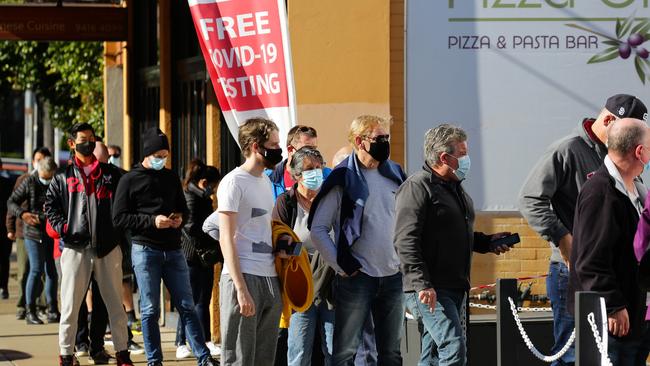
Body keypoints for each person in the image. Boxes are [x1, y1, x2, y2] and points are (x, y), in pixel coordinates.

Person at [519, 93, 648, 366]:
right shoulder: (568, 150)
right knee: (571, 354)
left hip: (617, 279)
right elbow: (530, 199)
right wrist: (563, 237)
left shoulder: (623, 161)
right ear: (610, 120)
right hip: (574, 271)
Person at [394, 124, 511, 365]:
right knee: (453, 347)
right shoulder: (417, 186)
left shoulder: (454, 187)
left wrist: (488, 242)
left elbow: (454, 234)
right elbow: (405, 240)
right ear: (444, 157)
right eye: (462, 153)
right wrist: (422, 284)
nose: (467, 159)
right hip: (430, 288)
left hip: (455, 285)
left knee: (433, 352)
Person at [112, 127, 217, 366]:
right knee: (149, 309)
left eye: (165, 155)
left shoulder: (170, 178)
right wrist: (151, 221)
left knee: (187, 305)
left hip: (173, 248)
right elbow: (118, 218)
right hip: (145, 250)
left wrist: (179, 218)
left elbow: (183, 207)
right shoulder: (129, 180)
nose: (162, 160)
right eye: (158, 155)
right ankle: (154, 360)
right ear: (147, 153)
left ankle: (203, 357)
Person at [309, 115, 406, 366]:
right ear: (361, 141)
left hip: (393, 276)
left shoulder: (394, 173)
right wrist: (342, 265)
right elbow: (318, 228)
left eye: (387, 137)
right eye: (379, 138)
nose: (385, 142)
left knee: (391, 353)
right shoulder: (342, 177)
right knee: (344, 353)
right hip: (357, 278)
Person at [44, 123, 133, 366]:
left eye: (92, 138)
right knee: (71, 305)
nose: (89, 142)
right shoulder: (62, 177)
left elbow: (126, 200)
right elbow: (50, 206)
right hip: (75, 249)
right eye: (84, 139)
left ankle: (122, 353)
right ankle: (66, 354)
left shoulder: (111, 174)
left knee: (115, 304)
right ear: (72, 144)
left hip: (107, 248)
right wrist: (65, 228)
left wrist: (117, 230)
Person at [568, 118, 649, 365]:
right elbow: (591, 260)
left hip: (635, 313)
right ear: (639, 151)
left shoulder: (634, 189)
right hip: (612, 320)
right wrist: (613, 304)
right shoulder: (602, 192)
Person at [217, 117, 287, 365]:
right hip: (244, 276)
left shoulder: (266, 180)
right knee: (240, 358)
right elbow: (226, 237)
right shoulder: (233, 182)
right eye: (274, 143)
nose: (279, 149)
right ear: (256, 146)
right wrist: (241, 288)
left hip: (269, 276)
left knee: (263, 358)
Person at [272, 146, 335, 366]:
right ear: (297, 175)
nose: (316, 172)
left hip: (331, 288)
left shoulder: (331, 200)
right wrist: (311, 255)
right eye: (310, 169)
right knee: (299, 353)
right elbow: (278, 245)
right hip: (300, 287)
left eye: (319, 167)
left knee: (334, 352)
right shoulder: (286, 203)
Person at [175, 159, 222, 360]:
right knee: (193, 300)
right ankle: (183, 342)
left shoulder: (199, 195)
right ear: (204, 182)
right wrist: (213, 232)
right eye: (213, 185)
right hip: (193, 255)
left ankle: (202, 340)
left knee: (202, 299)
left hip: (203, 255)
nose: (214, 190)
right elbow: (192, 227)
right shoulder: (192, 197)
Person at [8, 156, 60, 325]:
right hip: (32, 232)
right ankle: (30, 310)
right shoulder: (29, 181)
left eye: (49, 177)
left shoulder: (57, 182)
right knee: (36, 269)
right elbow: (12, 202)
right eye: (44, 177)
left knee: (52, 271)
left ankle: (52, 308)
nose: (46, 181)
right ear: (39, 171)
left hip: (50, 232)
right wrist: (23, 214)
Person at [266, 125, 331, 200]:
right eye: (307, 149)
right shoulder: (268, 178)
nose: (312, 153)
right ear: (290, 149)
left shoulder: (328, 176)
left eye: (314, 149)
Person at [0, 158, 13, 300]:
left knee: (4, 259)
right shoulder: (8, 183)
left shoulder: (7, 184)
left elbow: (12, 205)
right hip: (6, 227)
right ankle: (3, 286)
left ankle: (3, 286)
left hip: (5, 228)